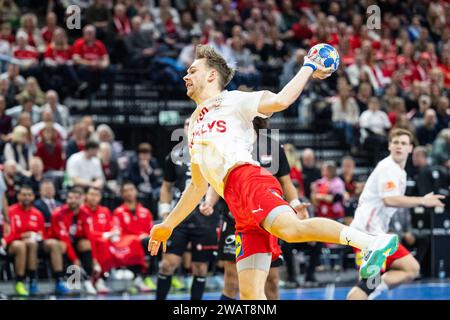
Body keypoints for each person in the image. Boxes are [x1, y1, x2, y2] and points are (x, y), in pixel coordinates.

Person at [149, 44, 401, 300]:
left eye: (193, 71)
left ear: (212, 75)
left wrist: (309, 66)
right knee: (250, 295)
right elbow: (197, 186)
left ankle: (369, 243)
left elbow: (281, 100)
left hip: (249, 180)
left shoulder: (233, 99)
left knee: (291, 230)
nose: (185, 76)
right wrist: (168, 224)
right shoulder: (192, 124)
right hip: (237, 206)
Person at [205, 117, 308, 299]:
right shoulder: (230, 146)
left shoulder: (273, 147)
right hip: (236, 219)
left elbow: (286, 182)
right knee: (232, 280)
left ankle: (360, 240)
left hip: (268, 218)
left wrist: (295, 204)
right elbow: (216, 182)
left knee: (272, 280)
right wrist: (209, 203)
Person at [347, 129, 445, 300]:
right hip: (366, 234)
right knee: (368, 284)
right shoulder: (388, 167)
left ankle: (372, 292)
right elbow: (390, 200)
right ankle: (366, 293)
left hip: (378, 234)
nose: (399, 146)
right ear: (389, 146)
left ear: (410, 148)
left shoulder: (400, 172)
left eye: (403, 143)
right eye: (396, 142)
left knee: (411, 268)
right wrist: (422, 200)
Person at [155, 118, 220, 300]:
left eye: (194, 124)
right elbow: (166, 186)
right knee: (167, 265)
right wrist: (165, 212)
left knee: (200, 268)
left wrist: (210, 203)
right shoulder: (175, 155)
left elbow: (218, 184)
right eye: (186, 125)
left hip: (204, 218)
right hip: (179, 218)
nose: (190, 128)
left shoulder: (213, 154)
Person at [3, 185, 71, 296]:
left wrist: (40, 236)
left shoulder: (37, 213)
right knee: (26, 244)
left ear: (33, 197)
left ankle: (59, 280)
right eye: (24, 195)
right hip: (14, 244)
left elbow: (43, 234)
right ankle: (23, 281)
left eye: (29, 195)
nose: (26, 197)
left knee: (54, 244)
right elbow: (9, 233)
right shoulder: (11, 211)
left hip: (35, 244)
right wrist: (23, 235)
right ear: (18, 196)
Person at [50, 187, 98, 295]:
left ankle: (87, 280)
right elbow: (65, 239)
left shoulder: (85, 213)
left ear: (82, 199)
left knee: (85, 244)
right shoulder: (58, 214)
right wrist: (75, 259)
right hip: (61, 242)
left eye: (76, 198)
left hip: (75, 242)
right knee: (62, 246)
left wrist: (95, 258)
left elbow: (90, 236)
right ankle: (69, 281)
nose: (73, 200)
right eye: (70, 197)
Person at [113, 182, 155, 292]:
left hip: (144, 240)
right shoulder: (118, 212)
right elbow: (117, 232)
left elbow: (150, 231)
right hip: (126, 242)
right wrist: (138, 237)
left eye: (131, 189)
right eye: (125, 191)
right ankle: (139, 278)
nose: (129, 193)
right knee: (142, 242)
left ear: (136, 191)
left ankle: (148, 276)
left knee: (157, 242)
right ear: (122, 194)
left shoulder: (145, 212)